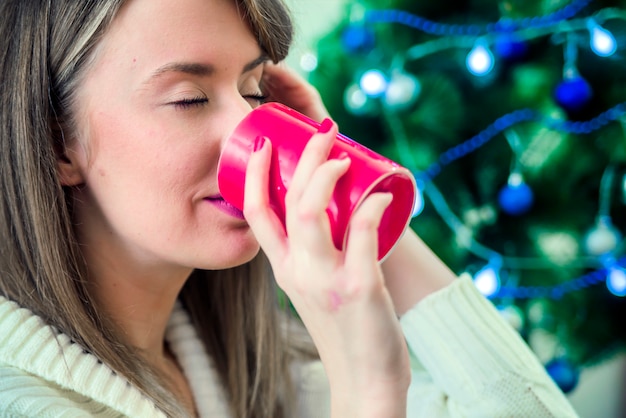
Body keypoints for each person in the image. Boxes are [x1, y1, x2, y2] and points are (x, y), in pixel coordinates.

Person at [0, 0, 580, 417]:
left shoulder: (253, 369)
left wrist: (353, 189)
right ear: (56, 143)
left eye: (255, 92)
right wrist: (367, 387)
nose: (248, 129)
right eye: (189, 98)